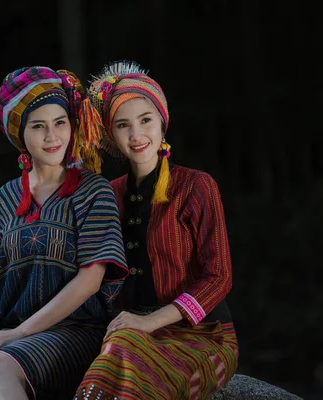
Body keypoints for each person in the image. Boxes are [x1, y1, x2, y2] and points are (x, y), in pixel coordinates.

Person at [0, 66, 128, 400]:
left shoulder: (92, 191)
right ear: (20, 135)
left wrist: (18, 333)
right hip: (12, 330)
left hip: (75, 330)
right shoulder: (5, 197)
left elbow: (91, 280)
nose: (52, 137)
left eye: (60, 123)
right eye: (38, 126)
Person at [74, 61, 239, 399]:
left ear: (162, 123)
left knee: (125, 350)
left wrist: (150, 321)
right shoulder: (109, 193)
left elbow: (219, 276)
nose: (136, 135)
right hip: (129, 332)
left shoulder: (196, 185)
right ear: (111, 135)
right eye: (123, 125)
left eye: (145, 120)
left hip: (204, 334)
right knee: (114, 354)